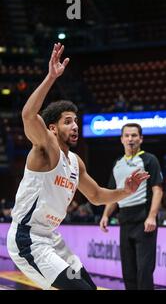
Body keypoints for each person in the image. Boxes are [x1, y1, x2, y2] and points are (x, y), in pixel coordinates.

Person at [6, 43, 149, 290]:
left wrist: (124, 191)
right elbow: (28, 115)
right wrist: (51, 77)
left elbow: (95, 195)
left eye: (76, 121)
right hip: (27, 238)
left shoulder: (75, 161)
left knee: (89, 287)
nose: (75, 126)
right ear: (52, 128)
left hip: (50, 238)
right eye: (67, 121)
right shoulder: (45, 148)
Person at [99, 123, 163, 290]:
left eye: (134, 135)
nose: (130, 139)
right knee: (128, 272)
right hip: (125, 221)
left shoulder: (149, 160)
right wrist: (106, 215)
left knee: (144, 271)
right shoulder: (117, 163)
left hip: (144, 221)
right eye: (127, 136)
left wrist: (152, 216)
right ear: (121, 139)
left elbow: (158, 190)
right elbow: (114, 194)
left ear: (141, 139)